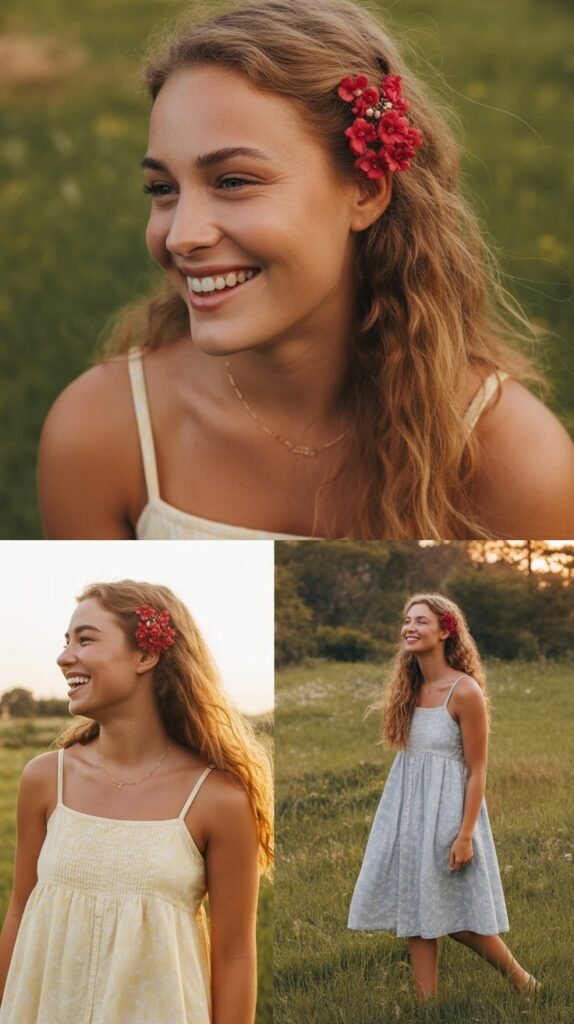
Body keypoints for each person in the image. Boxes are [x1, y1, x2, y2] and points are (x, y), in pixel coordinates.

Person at [38, 0, 574, 539]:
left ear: (365, 191)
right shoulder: (102, 430)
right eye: (163, 189)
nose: (181, 235)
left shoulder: (514, 463)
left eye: (233, 181)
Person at [0, 580, 273, 1024]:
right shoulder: (45, 779)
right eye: (66, 641)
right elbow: (19, 911)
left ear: (146, 655)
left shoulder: (218, 799)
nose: (64, 656)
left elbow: (234, 955)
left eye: (85, 639)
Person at [348, 592, 538, 1003]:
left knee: (456, 917)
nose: (410, 628)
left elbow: (477, 770)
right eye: (406, 620)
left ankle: (523, 980)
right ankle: (426, 1004)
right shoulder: (409, 689)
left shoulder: (464, 691)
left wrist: (465, 834)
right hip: (408, 811)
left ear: (445, 630)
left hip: (450, 814)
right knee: (415, 908)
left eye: (421, 621)